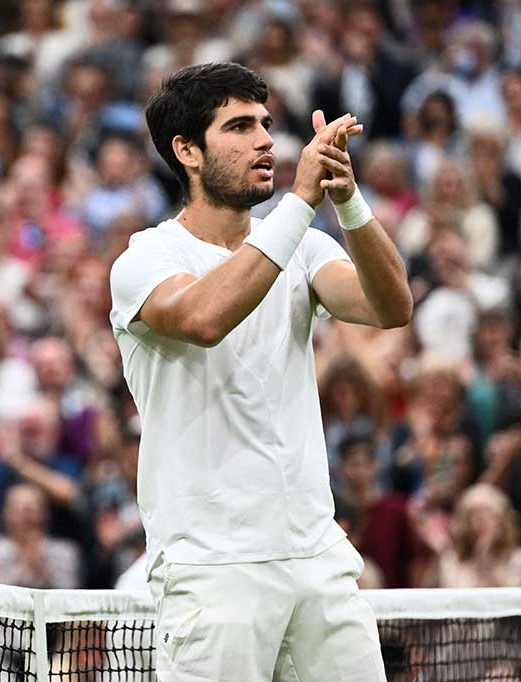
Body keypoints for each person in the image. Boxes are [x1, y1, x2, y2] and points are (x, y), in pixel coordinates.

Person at [109, 62, 412, 681]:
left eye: (266, 125)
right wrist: (300, 203)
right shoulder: (146, 258)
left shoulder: (305, 245)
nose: (266, 140)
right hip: (212, 568)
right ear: (187, 151)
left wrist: (347, 200)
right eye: (239, 127)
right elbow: (203, 318)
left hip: (318, 555)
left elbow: (391, 306)